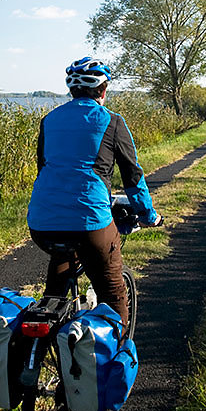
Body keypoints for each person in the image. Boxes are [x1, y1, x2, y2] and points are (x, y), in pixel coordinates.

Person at [27, 57, 162, 325]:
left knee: (60, 271)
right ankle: (117, 356)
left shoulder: (49, 120)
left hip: (41, 224)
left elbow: (44, 169)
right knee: (113, 296)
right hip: (90, 223)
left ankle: (42, 331)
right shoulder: (112, 121)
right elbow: (132, 176)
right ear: (102, 90)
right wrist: (148, 215)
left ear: (72, 90)